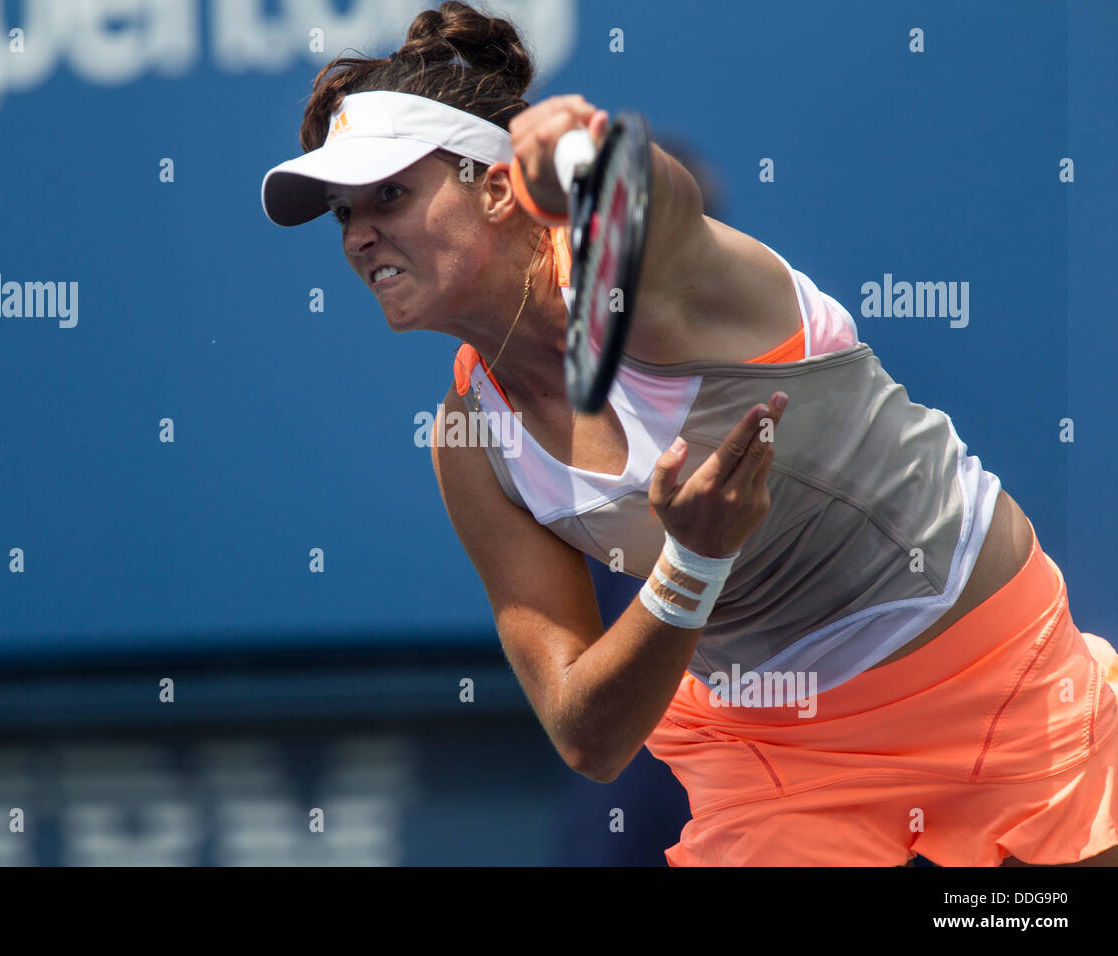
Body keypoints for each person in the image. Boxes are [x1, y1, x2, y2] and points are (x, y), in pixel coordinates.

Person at [260, 0, 1118, 866]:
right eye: (342, 212)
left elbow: (644, 189)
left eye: (391, 195)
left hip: (1005, 684)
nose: (360, 233)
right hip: (776, 762)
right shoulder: (468, 443)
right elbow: (587, 738)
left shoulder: (664, 280)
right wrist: (693, 563)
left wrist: (577, 155)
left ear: (494, 186)